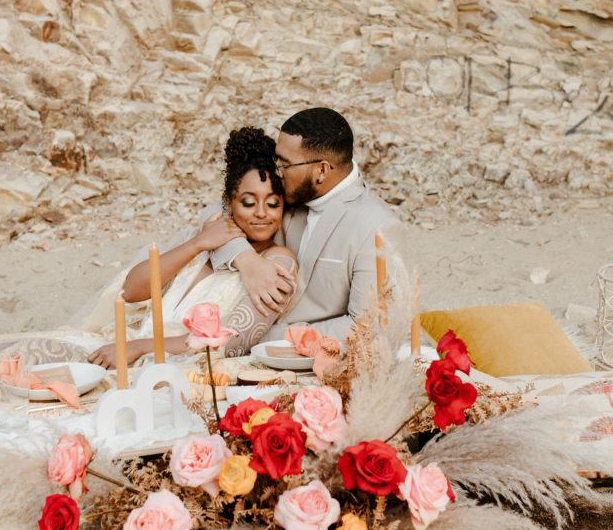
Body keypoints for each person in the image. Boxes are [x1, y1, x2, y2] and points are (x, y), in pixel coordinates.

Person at [84, 127, 298, 369]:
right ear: (228, 203)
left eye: (272, 203)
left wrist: (140, 347)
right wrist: (197, 244)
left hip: (184, 368)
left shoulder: (279, 262)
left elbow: (232, 341)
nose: (261, 213)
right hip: (126, 346)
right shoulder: (201, 239)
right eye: (248, 202)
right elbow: (131, 291)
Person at [208, 107, 401, 341]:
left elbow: (365, 325)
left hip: (303, 357)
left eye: (284, 164)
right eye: (275, 159)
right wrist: (246, 260)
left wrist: (263, 336)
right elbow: (215, 211)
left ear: (322, 170)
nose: (276, 172)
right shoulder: (291, 191)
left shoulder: (376, 226)